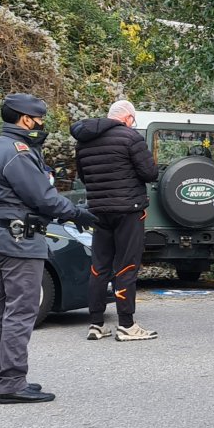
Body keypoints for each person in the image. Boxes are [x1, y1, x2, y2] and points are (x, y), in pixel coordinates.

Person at [0, 93, 99, 404]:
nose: (42, 124)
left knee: (4, 311)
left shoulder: (2, 147)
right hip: (18, 241)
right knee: (20, 312)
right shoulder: (17, 152)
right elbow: (42, 197)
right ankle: (12, 384)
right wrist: (77, 213)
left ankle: (1, 378)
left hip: (2, 237)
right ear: (25, 119)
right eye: (39, 118)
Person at [70, 99, 162, 342]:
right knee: (126, 265)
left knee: (98, 267)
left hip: (98, 210)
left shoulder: (84, 141)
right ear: (128, 118)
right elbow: (149, 173)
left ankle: (96, 323)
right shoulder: (131, 138)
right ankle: (126, 324)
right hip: (128, 210)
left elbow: (83, 175)